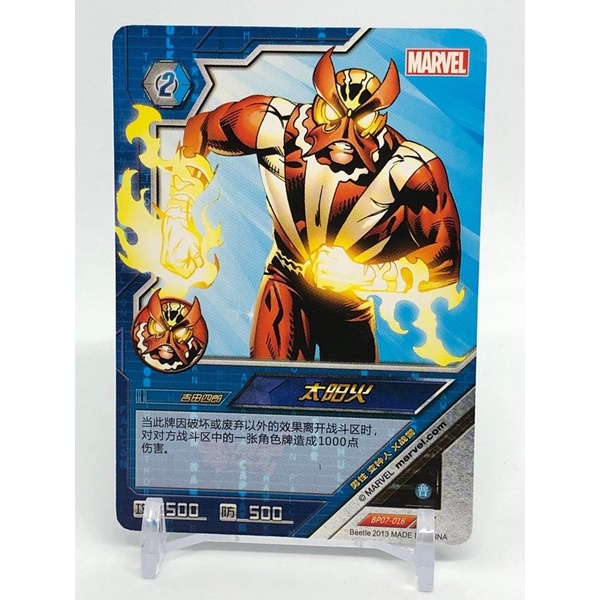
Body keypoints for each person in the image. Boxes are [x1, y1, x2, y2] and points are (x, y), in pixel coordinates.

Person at [160, 48, 461, 362]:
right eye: (333, 114)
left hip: (350, 299)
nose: (344, 134)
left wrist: (365, 275)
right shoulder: (274, 125)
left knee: (353, 388)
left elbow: (445, 259)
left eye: (362, 120)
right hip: (286, 278)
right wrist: (178, 213)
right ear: (319, 104)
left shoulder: (409, 167)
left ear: (379, 119)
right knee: (271, 383)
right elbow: (202, 129)